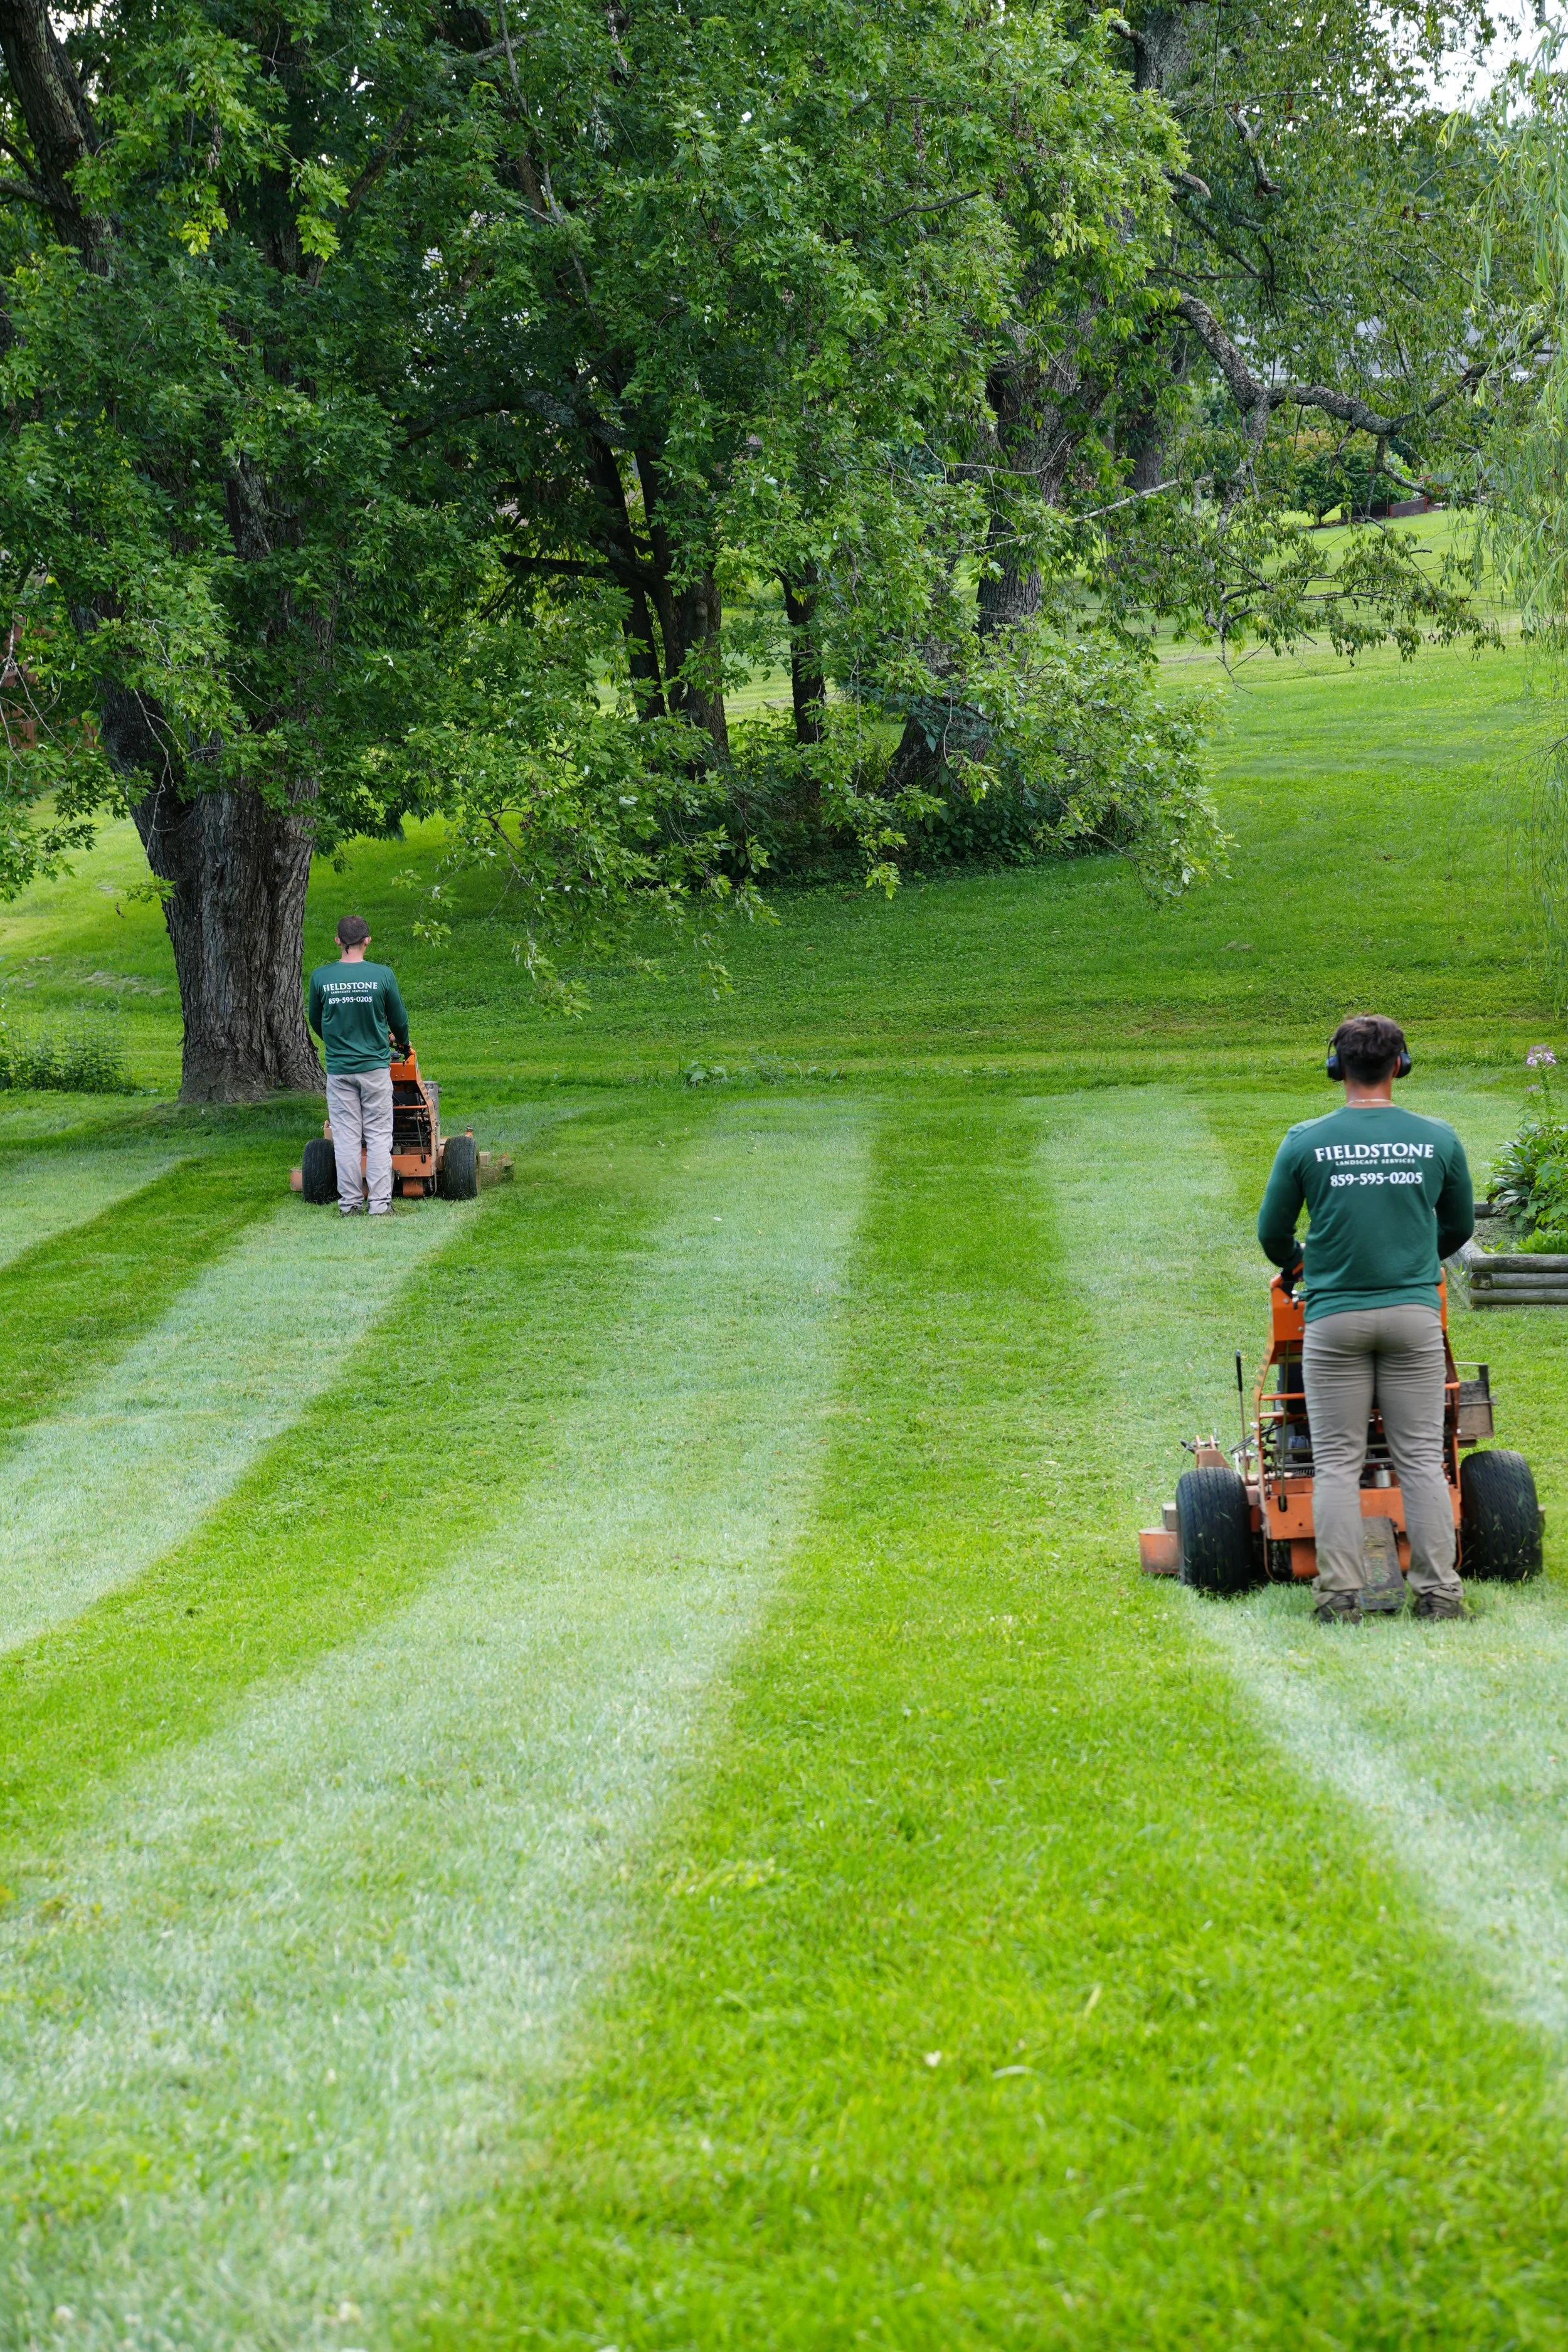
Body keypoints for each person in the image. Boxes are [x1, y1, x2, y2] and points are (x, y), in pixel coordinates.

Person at [1257, 1014, 1475, 1625]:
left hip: (1334, 1321)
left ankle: (1339, 1599)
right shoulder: (1438, 1138)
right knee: (1420, 1460)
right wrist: (1412, 1260)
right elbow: (1458, 1227)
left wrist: (1301, 1264)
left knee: (1335, 1462)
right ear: (1399, 1064)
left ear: (1337, 1069)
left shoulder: (1305, 1140)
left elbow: (1271, 1233)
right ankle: (1438, 1595)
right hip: (1413, 1320)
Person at [306, 916, 411, 1217]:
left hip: (340, 1070)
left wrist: (335, 1042)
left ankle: (350, 1204)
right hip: (375, 1069)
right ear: (368, 940)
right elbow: (399, 1020)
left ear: (338, 941)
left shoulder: (321, 978)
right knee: (379, 1135)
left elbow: (316, 1019)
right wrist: (401, 1043)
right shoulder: (382, 975)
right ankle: (379, 1205)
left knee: (347, 1138)